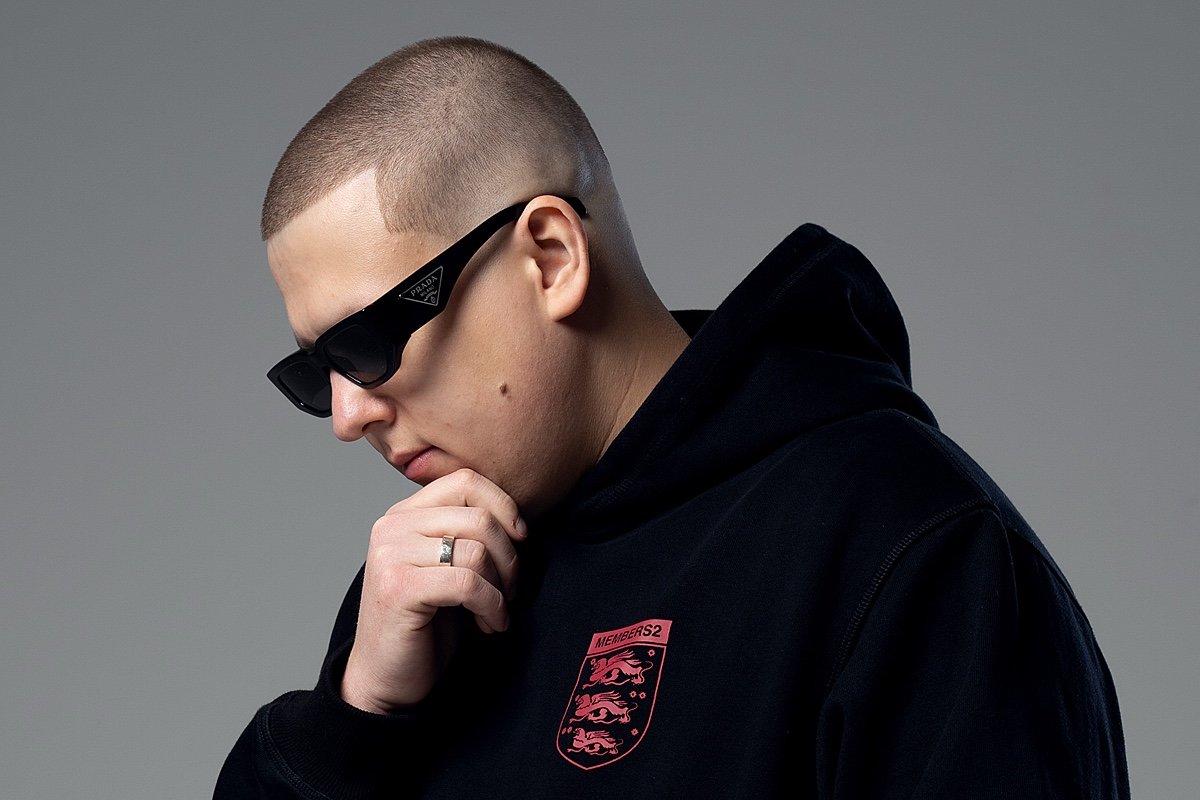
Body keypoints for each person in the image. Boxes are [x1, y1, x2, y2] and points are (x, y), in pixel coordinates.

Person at [216, 36, 1129, 799]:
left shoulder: (910, 545)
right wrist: (354, 718)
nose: (347, 415)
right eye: (316, 371)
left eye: (368, 343)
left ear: (550, 257)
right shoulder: (427, 586)